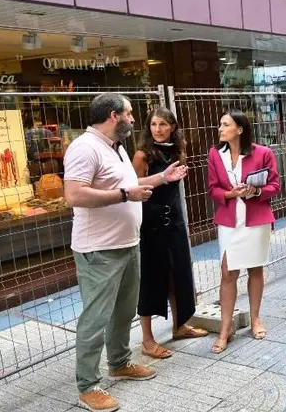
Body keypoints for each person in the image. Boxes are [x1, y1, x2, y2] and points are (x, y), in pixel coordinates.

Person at [64, 93, 188, 412]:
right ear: (114, 116)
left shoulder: (115, 147)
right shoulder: (84, 147)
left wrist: (162, 177)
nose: (135, 120)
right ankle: (87, 386)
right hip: (99, 249)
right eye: (130, 114)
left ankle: (119, 362)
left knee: (123, 311)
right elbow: (74, 195)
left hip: (127, 244)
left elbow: (131, 185)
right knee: (96, 317)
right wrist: (123, 195)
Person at [132, 107, 207, 361]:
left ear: (173, 127)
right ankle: (147, 339)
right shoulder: (143, 155)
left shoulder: (177, 151)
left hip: (174, 219)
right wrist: (161, 178)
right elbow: (132, 186)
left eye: (163, 124)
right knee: (151, 280)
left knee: (180, 273)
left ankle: (179, 325)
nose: (158, 129)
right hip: (150, 223)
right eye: (154, 124)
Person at [207, 110, 280, 353]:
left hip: (255, 219)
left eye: (225, 124)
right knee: (228, 273)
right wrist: (230, 194)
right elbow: (213, 189)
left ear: (239, 129)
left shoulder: (263, 153)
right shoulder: (215, 154)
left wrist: (255, 192)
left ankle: (255, 318)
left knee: (255, 269)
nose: (220, 128)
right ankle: (225, 328)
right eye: (220, 124)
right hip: (229, 221)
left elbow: (274, 185)